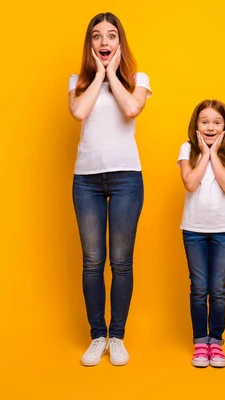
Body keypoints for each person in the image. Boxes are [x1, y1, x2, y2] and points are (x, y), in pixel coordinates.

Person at [68, 12, 152, 367]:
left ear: (120, 42)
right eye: (97, 37)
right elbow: (78, 112)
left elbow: (132, 109)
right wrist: (99, 74)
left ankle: (116, 335)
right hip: (86, 180)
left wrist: (113, 76)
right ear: (90, 44)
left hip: (126, 180)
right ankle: (97, 335)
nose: (104, 42)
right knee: (92, 261)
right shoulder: (77, 81)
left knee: (121, 261)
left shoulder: (138, 79)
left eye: (111, 36)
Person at [177, 99, 225, 368]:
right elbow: (190, 183)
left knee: (217, 289)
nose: (210, 127)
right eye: (204, 122)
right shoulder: (186, 149)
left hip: (222, 230)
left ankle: (216, 343)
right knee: (198, 288)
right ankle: (199, 343)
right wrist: (204, 152)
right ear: (196, 125)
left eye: (216, 122)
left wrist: (215, 152)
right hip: (193, 230)